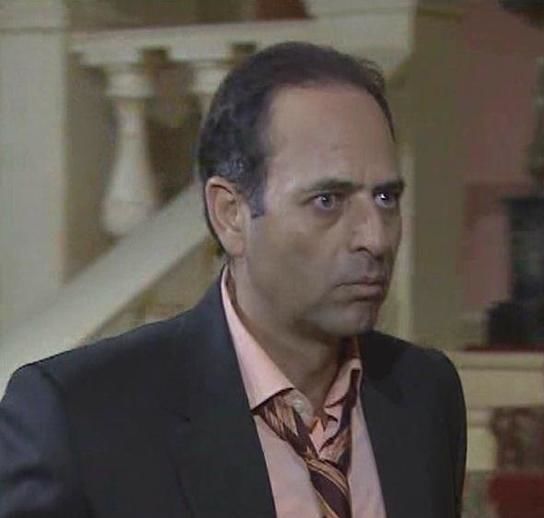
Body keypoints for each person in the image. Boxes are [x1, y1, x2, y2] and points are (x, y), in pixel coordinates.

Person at [0, 42, 466, 517]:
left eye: (386, 198)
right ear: (231, 215)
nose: (375, 238)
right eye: (327, 200)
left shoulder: (425, 391)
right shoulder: (79, 418)